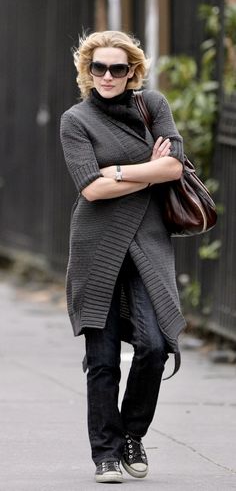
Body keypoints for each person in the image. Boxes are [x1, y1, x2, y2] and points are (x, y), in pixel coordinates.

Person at [60, 30, 186, 484]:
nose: (108, 76)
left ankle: (132, 434)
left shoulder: (152, 107)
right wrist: (145, 172)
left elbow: (174, 165)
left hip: (148, 241)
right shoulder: (75, 120)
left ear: (132, 71)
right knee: (104, 358)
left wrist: (116, 171)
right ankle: (107, 455)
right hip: (96, 245)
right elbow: (90, 188)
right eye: (99, 68)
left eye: (118, 68)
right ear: (87, 73)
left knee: (154, 346)